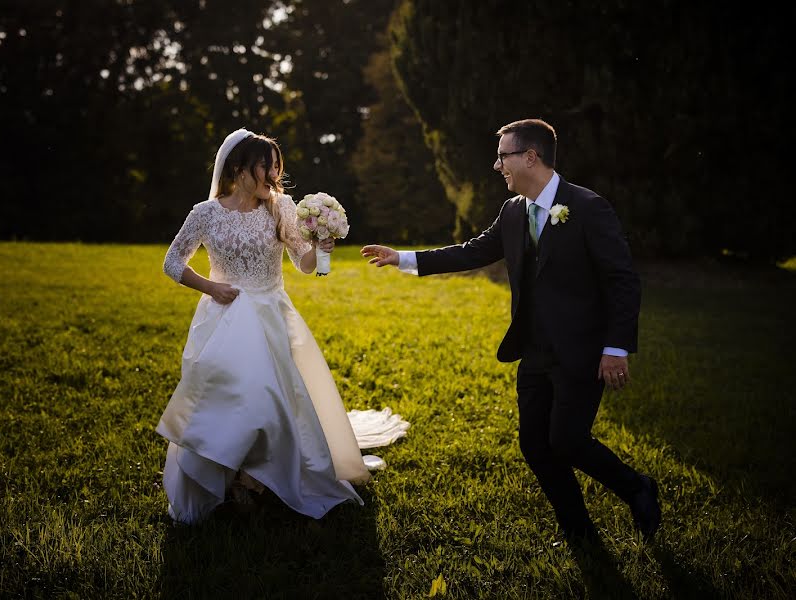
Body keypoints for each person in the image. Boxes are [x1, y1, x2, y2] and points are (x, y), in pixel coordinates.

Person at [361, 119, 660, 543]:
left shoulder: (588, 207)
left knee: (568, 441)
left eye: (503, 156)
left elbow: (622, 280)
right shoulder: (513, 210)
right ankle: (579, 530)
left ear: (530, 157)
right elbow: (474, 251)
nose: (497, 164)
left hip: (582, 350)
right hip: (534, 349)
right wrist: (405, 258)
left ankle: (637, 488)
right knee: (535, 445)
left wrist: (615, 348)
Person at [157, 129, 407, 523]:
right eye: (266, 166)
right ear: (239, 168)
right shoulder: (205, 213)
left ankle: (255, 479)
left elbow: (304, 265)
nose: (274, 175)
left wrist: (321, 252)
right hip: (222, 320)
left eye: (277, 166)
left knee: (268, 397)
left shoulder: (280, 208)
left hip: (271, 317)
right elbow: (172, 263)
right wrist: (211, 287)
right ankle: (225, 476)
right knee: (223, 400)